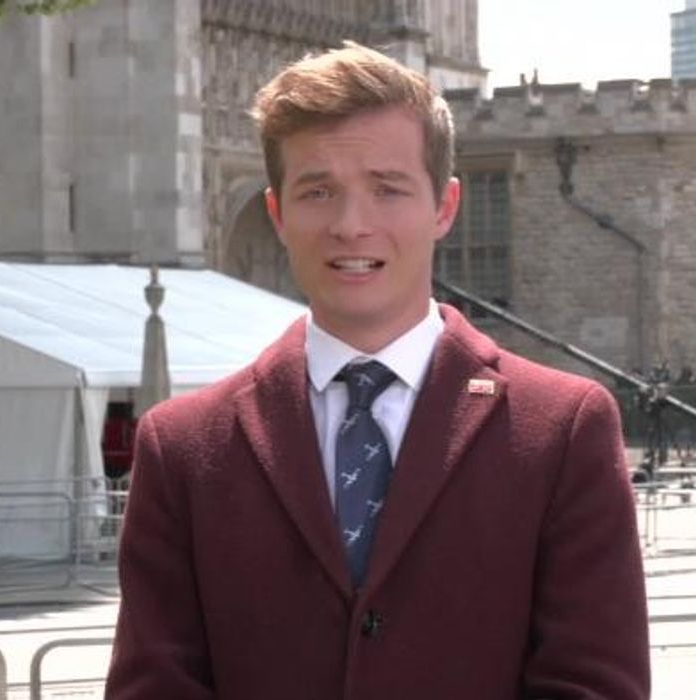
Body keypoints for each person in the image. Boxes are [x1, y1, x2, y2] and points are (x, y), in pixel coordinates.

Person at [105, 42, 650, 700]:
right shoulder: (183, 446)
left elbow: (593, 686)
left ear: (444, 207)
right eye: (317, 191)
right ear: (277, 214)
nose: (350, 225)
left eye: (387, 189)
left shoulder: (561, 430)